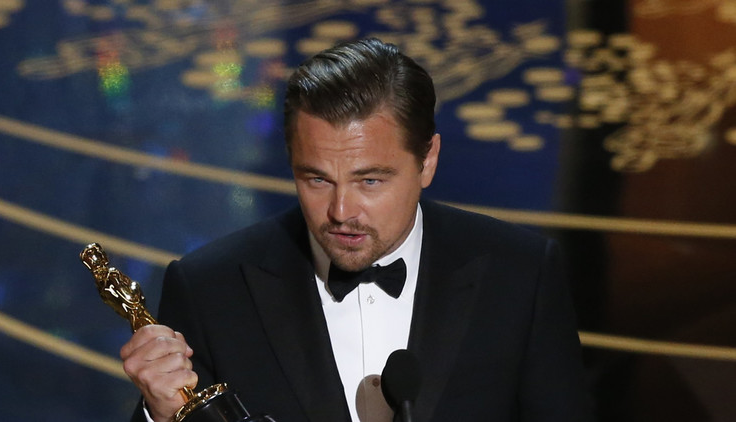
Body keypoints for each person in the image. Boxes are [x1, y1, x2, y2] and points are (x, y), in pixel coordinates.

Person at [121, 38, 591, 422]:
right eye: (317, 179)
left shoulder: (520, 275)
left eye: (370, 181)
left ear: (427, 160)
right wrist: (161, 415)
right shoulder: (211, 289)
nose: (341, 211)